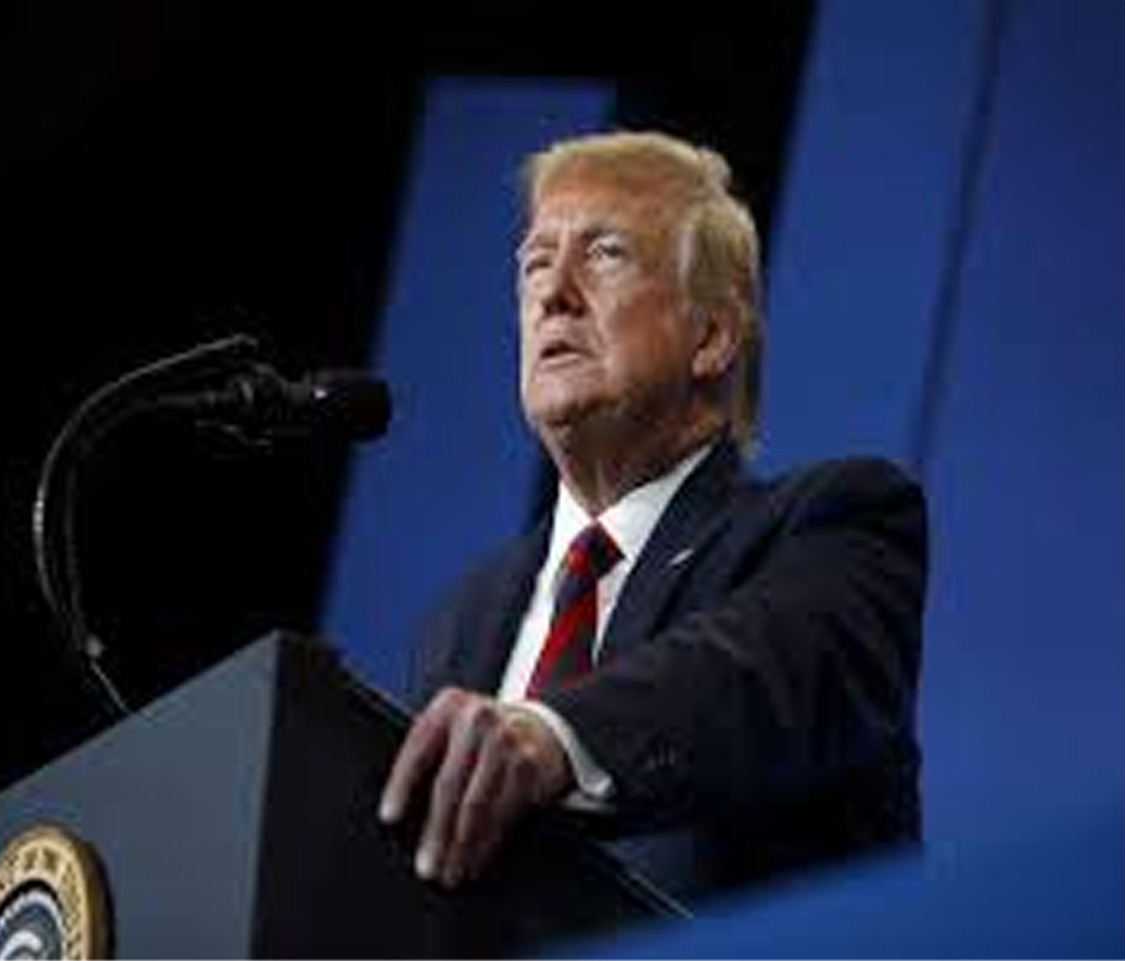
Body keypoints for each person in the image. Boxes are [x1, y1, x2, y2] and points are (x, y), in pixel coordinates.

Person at [378, 129, 928, 906]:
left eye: (604, 254)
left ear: (711, 335)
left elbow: (752, 674)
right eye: (535, 263)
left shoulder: (837, 521)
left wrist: (555, 736)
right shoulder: (459, 621)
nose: (553, 293)